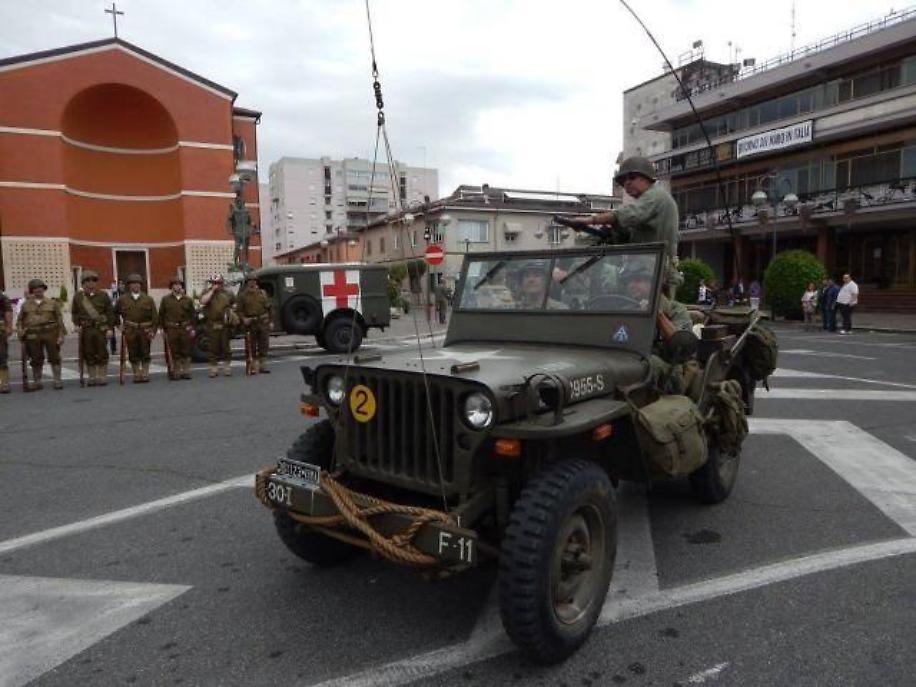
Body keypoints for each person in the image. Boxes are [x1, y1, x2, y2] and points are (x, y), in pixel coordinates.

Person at [564, 156, 680, 287]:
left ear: (646, 177)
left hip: (653, 274)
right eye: (623, 181)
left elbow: (626, 214)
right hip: (647, 271)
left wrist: (589, 220)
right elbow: (631, 235)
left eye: (631, 177)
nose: (626, 183)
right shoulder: (648, 203)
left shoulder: (656, 196)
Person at [16, 278, 67, 390]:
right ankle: (37, 381)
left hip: (51, 332)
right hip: (33, 334)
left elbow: (59, 320)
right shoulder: (25, 305)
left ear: (44, 290)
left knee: (55, 357)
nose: (38, 292)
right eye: (35, 290)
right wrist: (20, 331)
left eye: (40, 289)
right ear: (32, 291)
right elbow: (20, 320)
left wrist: (61, 335)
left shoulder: (53, 303)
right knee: (35, 358)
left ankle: (57, 380)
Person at [71, 270, 116, 386]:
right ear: (83, 283)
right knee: (88, 352)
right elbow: (74, 313)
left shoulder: (103, 295)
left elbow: (110, 312)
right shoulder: (78, 297)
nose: (91, 284)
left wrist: (110, 328)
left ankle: (102, 376)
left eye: (93, 281)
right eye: (88, 281)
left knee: (102, 352)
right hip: (86, 329)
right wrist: (76, 325)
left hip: (100, 329)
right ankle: (92, 376)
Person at [116, 274, 158, 383]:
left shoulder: (148, 299)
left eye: (138, 284)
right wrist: (118, 325)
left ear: (141, 285)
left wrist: (153, 330)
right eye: (133, 284)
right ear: (129, 286)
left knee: (145, 351)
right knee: (133, 351)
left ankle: (145, 372)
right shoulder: (122, 299)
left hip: (145, 329)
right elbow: (114, 313)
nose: (136, 286)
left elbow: (155, 316)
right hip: (131, 329)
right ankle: (136, 373)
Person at [159, 277, 195, 380]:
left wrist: (192, 328)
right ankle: (176, 370)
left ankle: (186, 370)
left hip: (185, 327)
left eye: (179, 284)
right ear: (171, 287)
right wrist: (161, 328)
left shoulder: (188, 300)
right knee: (174, 350)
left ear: (182, 287)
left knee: (186, 349)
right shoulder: (165, 300)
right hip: (171, 328)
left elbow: (192, 315)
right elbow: (161, 314)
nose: (177, 286)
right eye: (175, 284)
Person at [236, 274, 273, 374]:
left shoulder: (262, 293)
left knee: (264, 344)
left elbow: (269, 308)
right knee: (251, 346)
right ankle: (253, 366)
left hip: (262, 322)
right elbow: (239, 310)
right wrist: (244, 319)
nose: (252, 283)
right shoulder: (242, 296)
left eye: (254, 281)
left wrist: (271, 321)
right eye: (250, 281)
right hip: (250, 323)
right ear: (247, 283)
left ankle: (263, 366)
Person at [200, 274, 236, 377]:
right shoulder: (207, 293)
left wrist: (231, 313)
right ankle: (214, 368)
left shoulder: (228, 293)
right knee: (212, 347)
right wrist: (212, 291)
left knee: (226, 347)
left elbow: (234, 304)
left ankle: (227, 367)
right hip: (212, 324)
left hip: (224, 324)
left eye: (218, 283)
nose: (216, 285)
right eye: (214, 283)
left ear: (222, 283)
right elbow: (203, 301)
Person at [0, 289, 13, 393]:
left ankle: (4, 383)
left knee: (1, 356)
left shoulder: (2, 297)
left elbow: (8, 312)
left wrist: (9, 326)